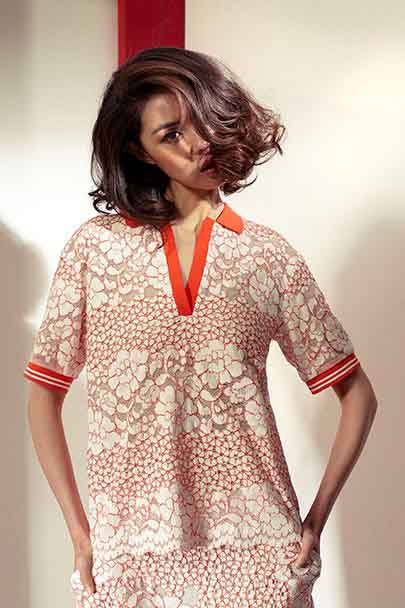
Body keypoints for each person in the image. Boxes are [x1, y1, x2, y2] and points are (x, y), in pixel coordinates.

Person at [24, 46, 378, 607]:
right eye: (171, 135)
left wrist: (313, 522)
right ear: (139, 151)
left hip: (258, 556)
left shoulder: (268, 257)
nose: (198, 144)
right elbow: (44, 394)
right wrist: (80, 533)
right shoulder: (94, 251)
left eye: (202, 121)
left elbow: (357, 394)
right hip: (132, 556)